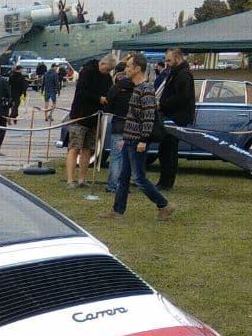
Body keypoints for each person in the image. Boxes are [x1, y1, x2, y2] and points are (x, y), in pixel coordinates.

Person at [105, 53, 172, 220]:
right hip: (130, 139)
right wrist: (125, 138)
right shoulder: (136, 88)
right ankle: (117, 210)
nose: (126, 70)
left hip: (138, 141)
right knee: (124, 177)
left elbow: (149, 117)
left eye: (129, 66)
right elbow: (132, 117)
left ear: (137, 69)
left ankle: (163, 204)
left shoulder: (146, 89)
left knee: (139, 178)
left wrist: (143, 140)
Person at [64, 55, 114, 187]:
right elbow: (81, 92)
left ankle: (82, 179)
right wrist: (98, 98)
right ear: (102, 64)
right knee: (74, 148)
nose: (108, 72)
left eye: (110, 70)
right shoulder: (87, 71)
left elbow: (109, 91)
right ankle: (70, 180)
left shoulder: (107, 78)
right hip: (80, 116)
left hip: (95, 118)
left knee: (88, 149)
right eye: (107, 69)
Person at [155, 47, 195, 190]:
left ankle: (166, 182)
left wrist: (162, 104)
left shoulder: (183, 74)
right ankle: (165, 180)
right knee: (165, 150)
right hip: (171, 115)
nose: (167, 63)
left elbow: (182, 97)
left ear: (177, 58)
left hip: (175, 117)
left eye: (169, 60)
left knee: (168, 151)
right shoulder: (176, 72)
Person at [101, 56, 135, 193]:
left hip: (119, 125)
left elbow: (108, 107)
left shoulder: (116, 87)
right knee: (128, 158)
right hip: (133, 127)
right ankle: (124, 185)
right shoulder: (137, 87)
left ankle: (113, 185)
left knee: (116, 157)